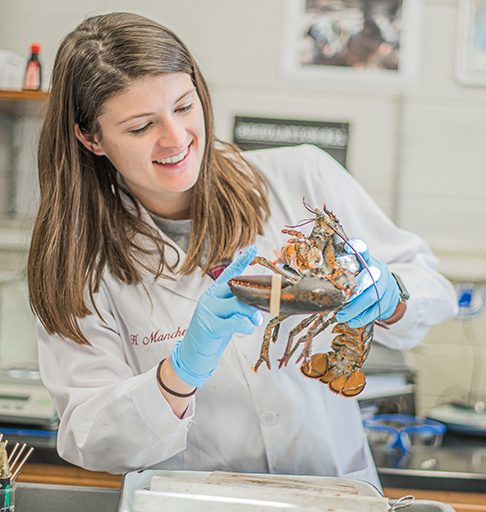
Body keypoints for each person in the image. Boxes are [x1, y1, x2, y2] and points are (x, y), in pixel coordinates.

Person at [27, 12, 457, 489]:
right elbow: (92, 438)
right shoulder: (79, 261)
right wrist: (180, 371)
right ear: (90, 137)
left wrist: (392, 295)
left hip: (332, 495)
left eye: (185, 107)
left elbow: (431, 287)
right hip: (196, 501)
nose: (175, 139)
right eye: (140, 126)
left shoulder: (302, 177)